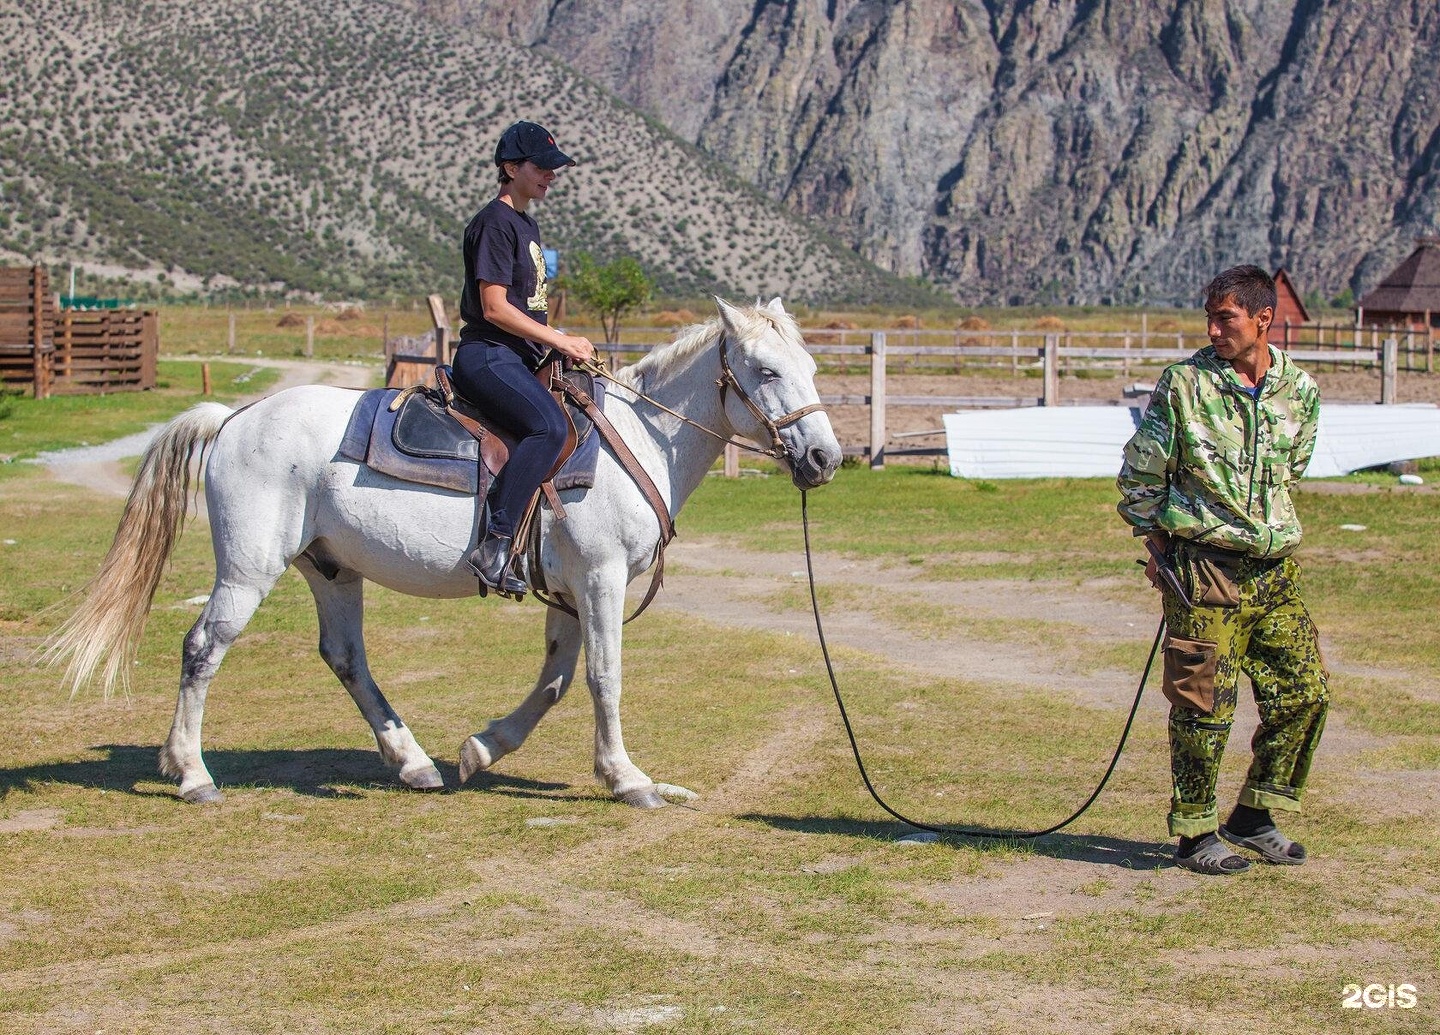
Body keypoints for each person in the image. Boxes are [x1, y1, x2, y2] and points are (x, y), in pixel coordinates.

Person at [1117, 264, 1328, 876]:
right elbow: (1139, 479)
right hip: (1204, 568)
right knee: (1203, 703)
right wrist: (1160, 550)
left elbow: (1294, 470)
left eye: (1226, 318)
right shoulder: (1184, 386)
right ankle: (1195, 831)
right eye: (1209, 317)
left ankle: (1255, 816)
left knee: (1305, 696)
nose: (1213, 329)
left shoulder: (1301, 391)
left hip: (1274, 570)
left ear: (1265, 319)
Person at [452, 121, 595, 595]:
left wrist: (560, 341)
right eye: (542, 167)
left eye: (555, 169)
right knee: (550, 429)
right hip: (489, 355)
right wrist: (559, 339)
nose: (551, 176)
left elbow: (525, 306)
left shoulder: (526, 224)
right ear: (510, 168)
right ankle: (494, 544)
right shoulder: (494, 223)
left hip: (516, 357)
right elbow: (494, 307)